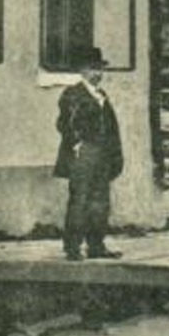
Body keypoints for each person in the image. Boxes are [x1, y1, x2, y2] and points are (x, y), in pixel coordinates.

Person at [53, 47, 125, 261]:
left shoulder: (101, 95)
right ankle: (73, 247)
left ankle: (96, 245)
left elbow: (112, 128)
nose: (97, 74)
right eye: (93, 69)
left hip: (103, 153)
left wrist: (114, 154)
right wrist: (76, 144)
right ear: (82, 70)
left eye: (100, 69)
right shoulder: (73, 94)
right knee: (80, 200)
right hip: (85, 153)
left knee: (100, 200)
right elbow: (64, 123)